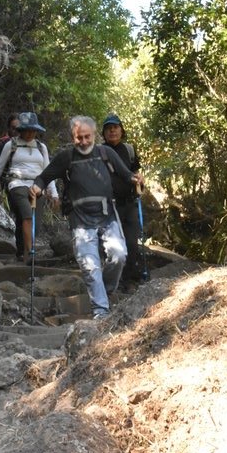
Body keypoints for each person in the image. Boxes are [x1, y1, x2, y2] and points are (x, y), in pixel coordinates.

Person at [29, 115, 141, 319]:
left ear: (95, 135)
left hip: (107, 215)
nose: (83, 141)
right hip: (80, 220)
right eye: (78, 137)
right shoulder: (66, 157)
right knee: (90, 265)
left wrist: (136, 179)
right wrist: (37, 187)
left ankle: (105, 291)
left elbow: (126, 174)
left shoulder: (105, 153)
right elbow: (44, 176)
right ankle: (101, 310)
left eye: (87, 136)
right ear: (73, 137)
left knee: (119, 256)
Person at [0, 112, 59, 262]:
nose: (30, 133)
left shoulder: (41, 148)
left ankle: (22, 250)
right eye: (27, 130)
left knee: (34, 225)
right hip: (17, 184)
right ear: (21, 130)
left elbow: (47, 172)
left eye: (33, 130)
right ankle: (29, 254)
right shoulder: (11, 144)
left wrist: (54, 193)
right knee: (27, 216)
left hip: (38, 186)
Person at [101, 113, 145, 290]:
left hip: (129, 203)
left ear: (121, 130)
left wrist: (140, 179)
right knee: (114, 245)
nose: (112, 131)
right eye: (108, 129)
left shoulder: (129, 150)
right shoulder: (99, 152)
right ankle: (113, 280)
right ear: (103, 133)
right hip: (110, 205)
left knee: (132, 243)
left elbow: (135, 171)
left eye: (115, 127)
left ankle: (128, 280)